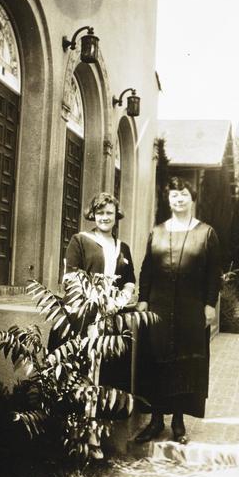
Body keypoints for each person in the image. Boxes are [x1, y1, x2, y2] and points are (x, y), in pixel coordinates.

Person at [134, 176, 221, 445]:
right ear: (168, 200)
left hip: (190, 310)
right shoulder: (157, 231)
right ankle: (156, 421)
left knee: (184, 364)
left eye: (183, 194)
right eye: (174, 195)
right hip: (158, 309)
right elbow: (146, 270)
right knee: (156, 361)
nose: (179, 199)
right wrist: (143, 300)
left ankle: (179, 422)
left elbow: (213, 274)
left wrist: (209, 305)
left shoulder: (206, 233)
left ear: (192, 198)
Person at [54, 192, 136, 458]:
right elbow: (70, 278)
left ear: (116, 216)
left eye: (109, 213)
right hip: (82, 319)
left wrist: (119, 300)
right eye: (100, 213)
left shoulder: (122, 248)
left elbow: (130, 280)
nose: (104, 217)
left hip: (110, 320)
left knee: (105, 377)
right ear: (93, 214)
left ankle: (95, 437)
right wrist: (94, 300)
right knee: (81, 371)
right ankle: (73, 436)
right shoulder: (80, 241)